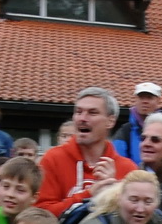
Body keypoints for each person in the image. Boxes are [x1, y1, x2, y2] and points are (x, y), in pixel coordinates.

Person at [37, 87, 137, 215]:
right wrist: (88, 195)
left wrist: (113, 192)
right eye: (78, 112)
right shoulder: (52, 159)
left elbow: (134, 220)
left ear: (110, 121)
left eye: (92, 113)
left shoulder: (128, 169)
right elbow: (40, 214)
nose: (82, 118)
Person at [112, 82, 162, 166]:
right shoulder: (125, 131)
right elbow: (118, 163)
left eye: (149, 98)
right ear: (135, 100)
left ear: (158, 100)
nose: (145, 101)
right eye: (141, 97)